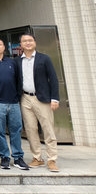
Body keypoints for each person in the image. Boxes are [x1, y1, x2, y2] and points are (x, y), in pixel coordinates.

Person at [0, 37, 29, 171]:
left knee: (16, 130)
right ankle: (4, 157)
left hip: (14, 102)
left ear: (4, 47)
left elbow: (19, 80)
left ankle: (18, 157)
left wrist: (18, 97)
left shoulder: (13, 62)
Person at [18, 33, 60, 172]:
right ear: (21, 44)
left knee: (48, 129)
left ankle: (52, 159)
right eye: (24, 41)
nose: (28, 43)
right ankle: (37, 157)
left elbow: (53, 79)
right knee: (30, 129)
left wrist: (54, 98)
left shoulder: (44, 58)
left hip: (42, 98)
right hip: (25, 98)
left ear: (35, 42)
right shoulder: (17, 61)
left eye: (30, 40)